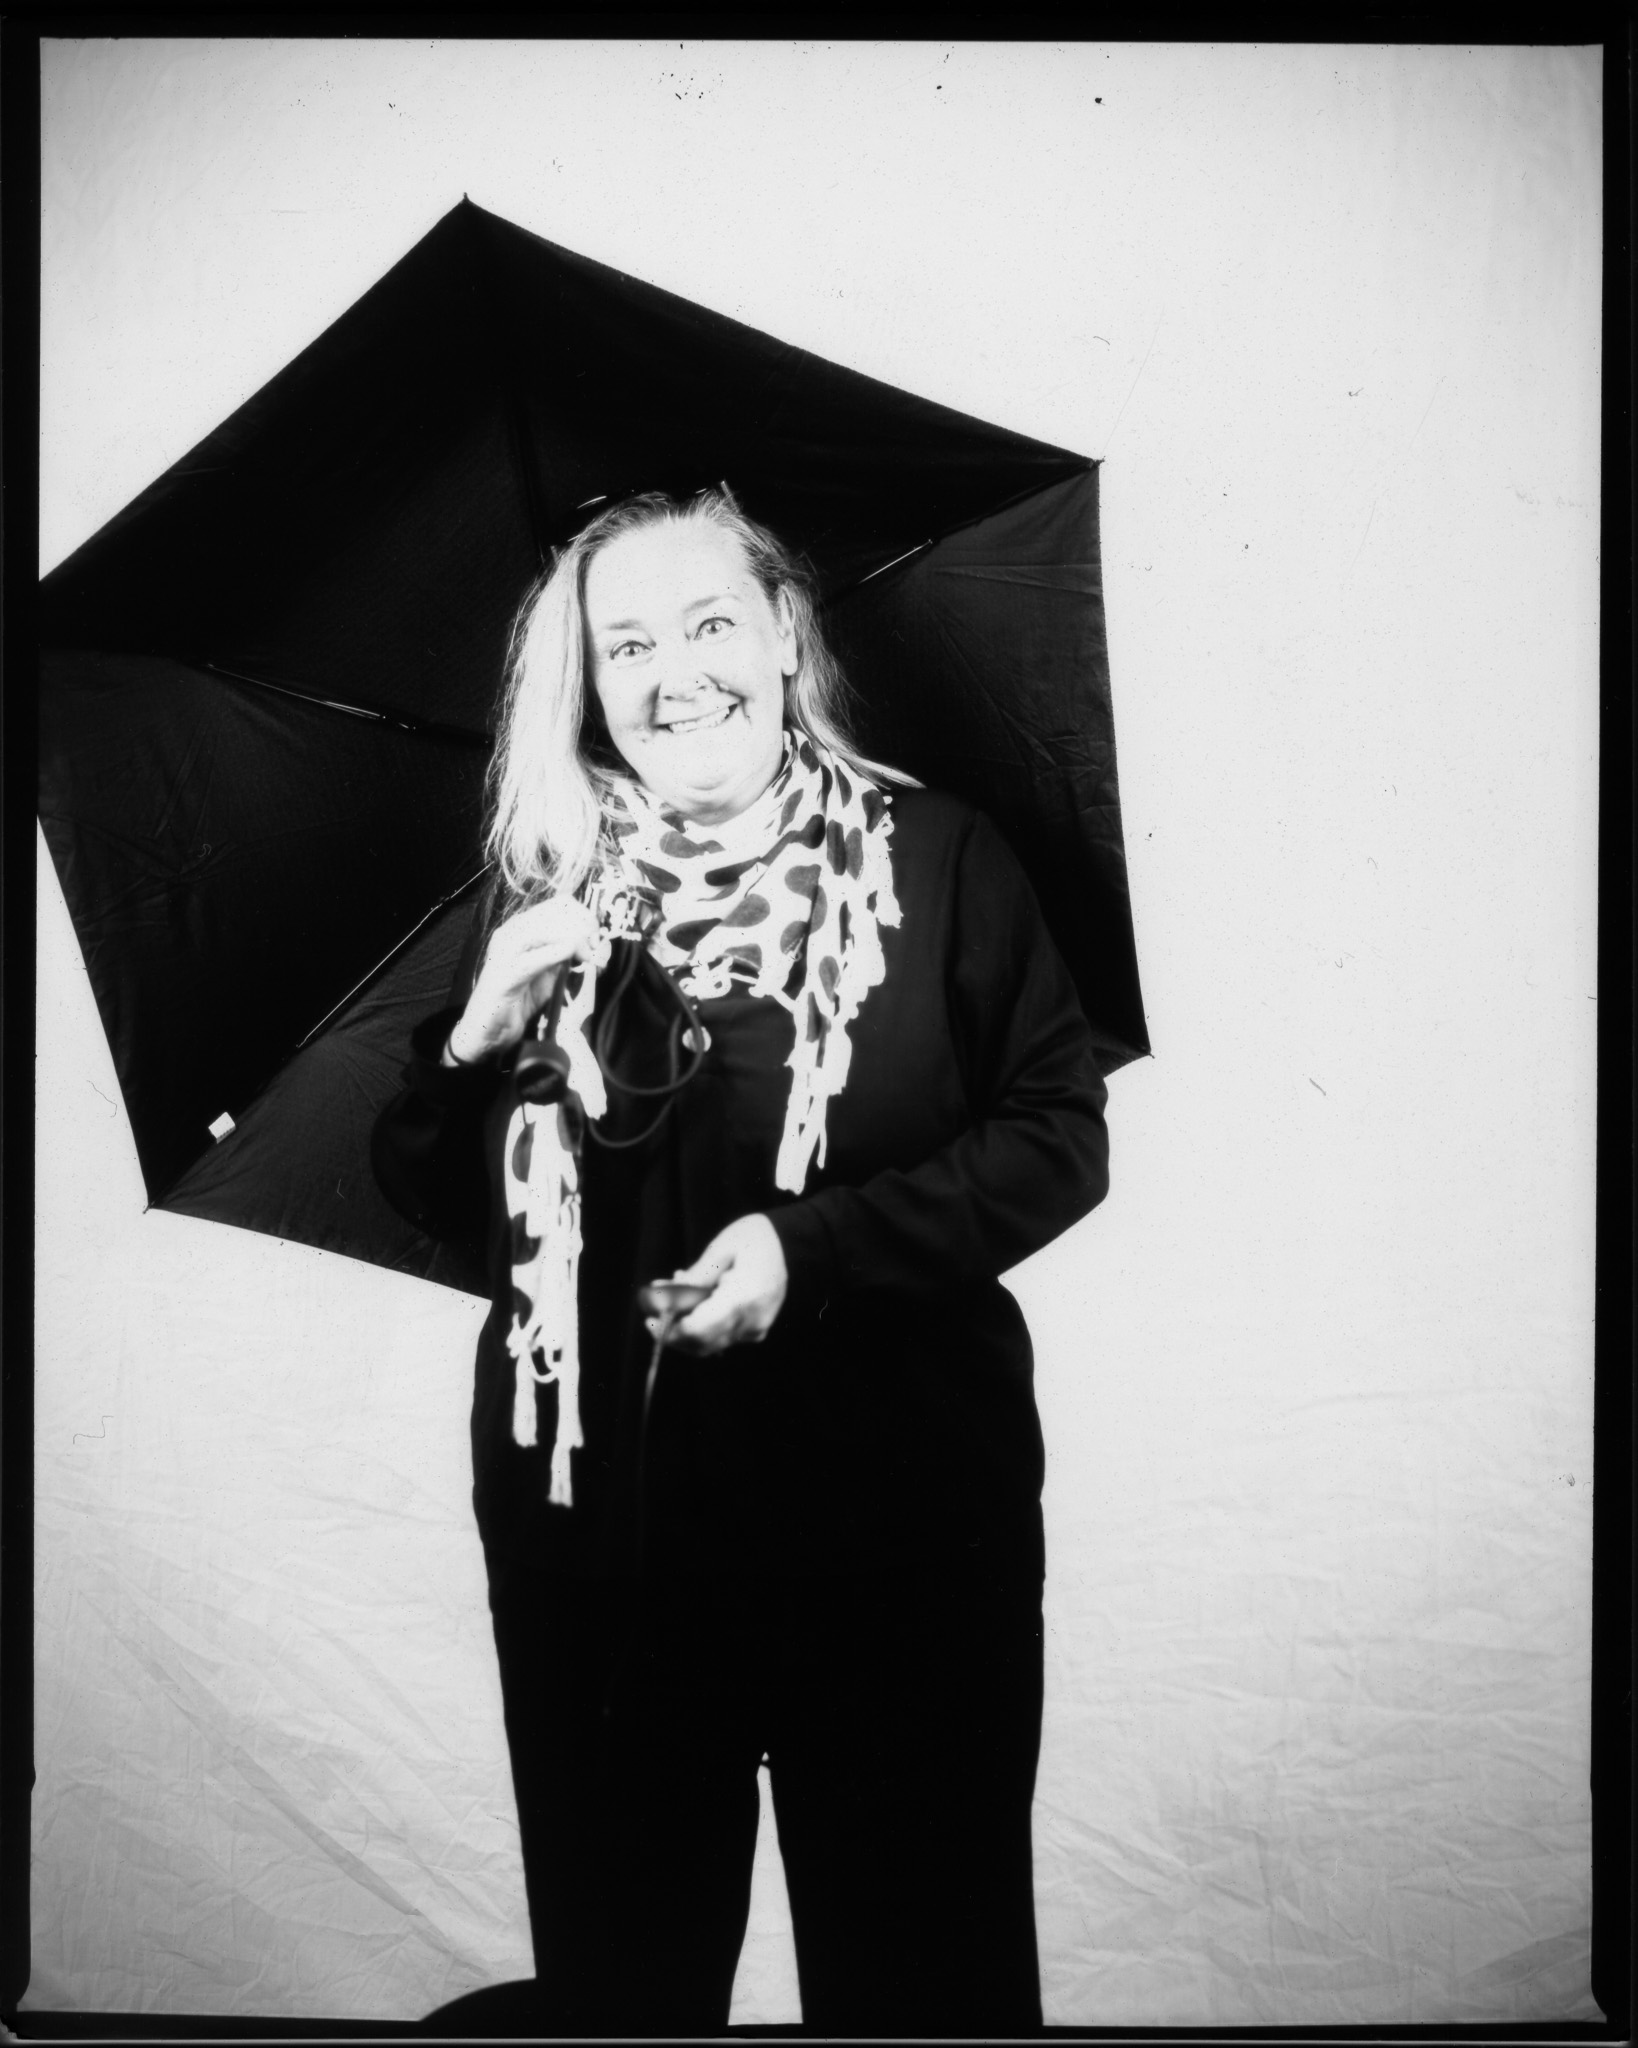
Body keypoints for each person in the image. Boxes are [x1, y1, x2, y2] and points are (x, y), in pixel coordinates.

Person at [371, 486, 1110, 2036]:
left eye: (708, 623)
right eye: (626, 645)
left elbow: (1055, 1137)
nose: (673, 673)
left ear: (782, 635)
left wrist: (809, 1248)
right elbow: (434, 1202)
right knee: (627, 1988)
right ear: (588, 687)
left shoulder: (938, 859)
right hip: (604, 1554)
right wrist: (472, 1038)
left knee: (924, 1989)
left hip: (901, 1534)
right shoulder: (544, 894)